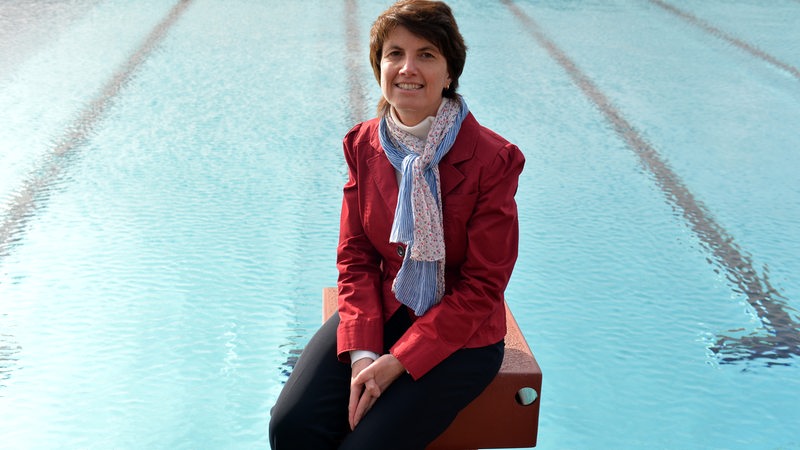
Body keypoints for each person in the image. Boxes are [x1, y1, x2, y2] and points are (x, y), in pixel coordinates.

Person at [269, 1, 524, 448]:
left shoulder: (492, 159)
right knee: (290, 427)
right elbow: (357, 257)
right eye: (394, 53)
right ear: (378, 66)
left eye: (426, 54)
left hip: (461, 338)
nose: (408, 68)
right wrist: (363, 355)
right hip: (383, 311)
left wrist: (399, 361)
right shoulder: (363, 144)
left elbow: (484, 285)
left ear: (449, 73)